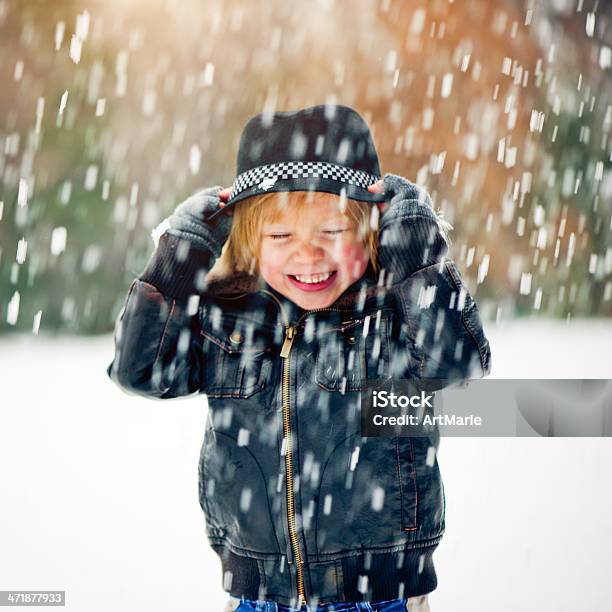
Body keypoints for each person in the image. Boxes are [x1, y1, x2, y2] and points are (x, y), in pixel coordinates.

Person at [107, 105, 492, 611]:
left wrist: (415, 241)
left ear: (373, 232)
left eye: (331, 233)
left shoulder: (392, 311)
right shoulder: (228, 316)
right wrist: (184, 249)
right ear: (248, 240)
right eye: (281, 236)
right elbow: (142, 370)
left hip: (379, 594)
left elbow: (456, 362)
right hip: (258, 593)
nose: (307, 255)